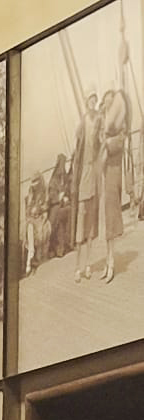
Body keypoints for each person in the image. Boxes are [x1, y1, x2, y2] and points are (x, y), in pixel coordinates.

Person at [72, 89, 103, 283]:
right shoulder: (82, 122)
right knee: (80, 223)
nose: (93, 102)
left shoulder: (99, 120)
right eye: (90, 99)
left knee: (91, 223)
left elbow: (101, 142)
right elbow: (77, 149)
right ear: (86, 102)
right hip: (83, 174)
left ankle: (88, 264)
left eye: (95, 99)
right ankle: (77, 267)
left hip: (94, 174)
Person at [100, 87, 129, 284]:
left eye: (110, 102)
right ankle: (108, 259)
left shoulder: (119, 132)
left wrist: (105, 142)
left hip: (113, 176)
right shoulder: (108, 130)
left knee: (110, 220)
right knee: (107, 221)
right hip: (106, 177)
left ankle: (111, 262)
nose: (107, 105)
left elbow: (114, 145)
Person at [47, 153, 71, 259]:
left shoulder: (64, 178)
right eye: (61, 165)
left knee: (69, 211)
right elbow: (51, 198)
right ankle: (58, 249)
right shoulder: (53, 181)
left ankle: (67, 244)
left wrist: (66, 197)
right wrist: (59, 197)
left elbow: (67, 190)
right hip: (54, 206)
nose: (62, 168)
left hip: (63, 205)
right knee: (58, 217)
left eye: (64, 165)